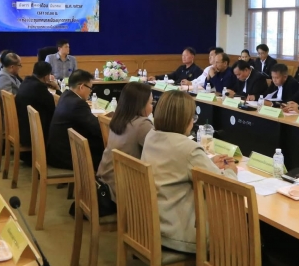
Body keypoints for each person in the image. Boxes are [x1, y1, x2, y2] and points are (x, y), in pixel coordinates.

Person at [141, 90, 237, 253]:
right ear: (184, 119)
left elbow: (177, 166)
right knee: (242, 224)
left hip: (154, 221)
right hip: (180, 232)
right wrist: (231, 171)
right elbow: (223, 188)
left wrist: (208, 162)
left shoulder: (152, 135)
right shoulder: (189, 148)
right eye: (193, 117)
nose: (193, 122)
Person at [96, 82, 154, 203]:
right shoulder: (142, 124)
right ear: (140, 105)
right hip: (121, 189)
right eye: (151, 103)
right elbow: (160, 151)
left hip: (105, 180)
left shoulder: (118, 118)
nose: (152, 107)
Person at [47, 70, 104, 171]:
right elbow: (97, 129)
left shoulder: (65, 95)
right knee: (108, 156)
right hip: (66, 156)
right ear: (81, 87)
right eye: (90, 88)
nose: (90, 91)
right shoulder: (78, 104)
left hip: (57, 151)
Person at [16, 61, 60, 149]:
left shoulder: (26, 81)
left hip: (23, 128)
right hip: (33, 133)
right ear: (46, 76)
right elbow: (53, 109)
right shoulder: (39, 88)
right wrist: (57, 89)